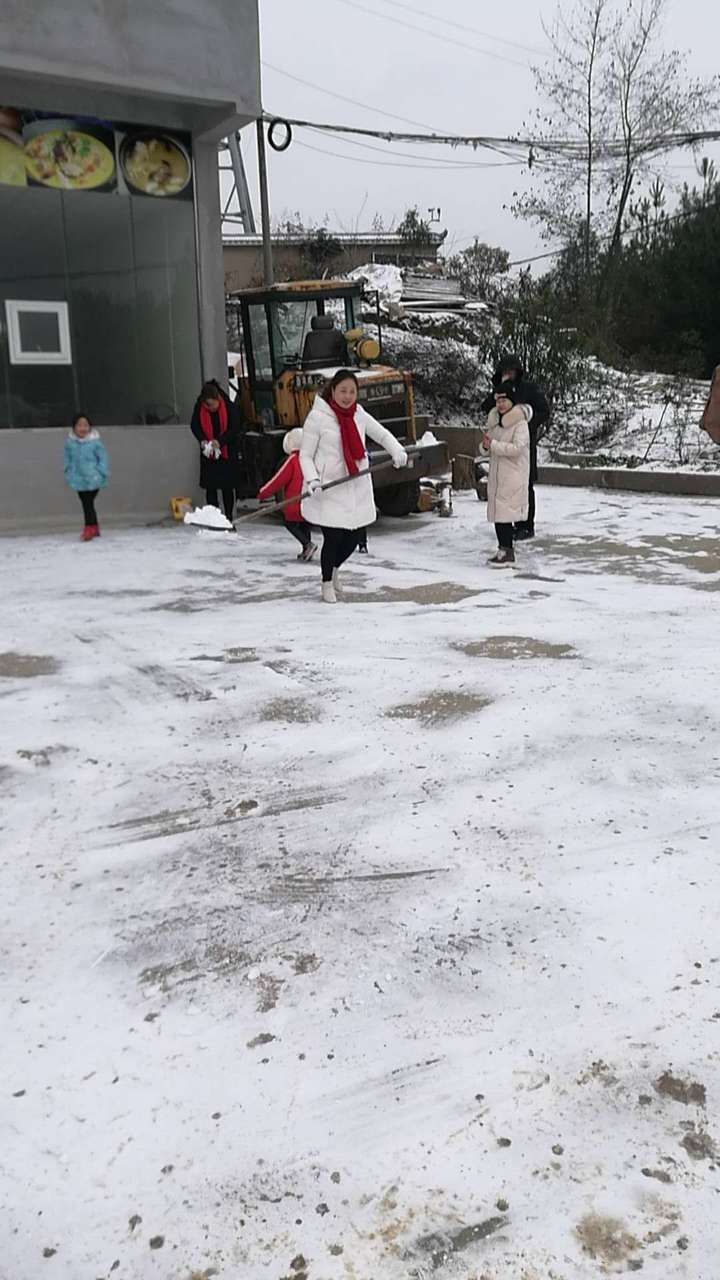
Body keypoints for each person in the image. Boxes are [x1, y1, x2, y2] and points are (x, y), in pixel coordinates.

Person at [300, 369, 408, 603]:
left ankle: (336, 569)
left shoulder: (359, 414)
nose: (347, 396)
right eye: (342, 391)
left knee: (354, 536)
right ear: (332, 390)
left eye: (351, 391)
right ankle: (326, 582)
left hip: (355, 486)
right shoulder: (318, 417)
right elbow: (305, 455)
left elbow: (382, 434)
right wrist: (312, 479)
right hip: (329, 487)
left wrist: (397, 450)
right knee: (333, 538)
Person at [482, 353, 549, 539]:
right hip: (502, 443)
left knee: (525, 484)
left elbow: (544, 411)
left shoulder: (529, 389)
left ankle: (526, 525)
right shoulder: (499, 392)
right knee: (506, 486)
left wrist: (528, 426)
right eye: (505, 371)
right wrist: (499, 389)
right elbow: (487, 407)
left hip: (523, 443)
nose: (508, 374)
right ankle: (508, 524)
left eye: (511, 371)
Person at [482, 382, 531, 567]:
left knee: (503, 516)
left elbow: (518, 448)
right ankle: (503, 550)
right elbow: (490, 446)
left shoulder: (520, 424)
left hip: (512, 477)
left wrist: (493, 445)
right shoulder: (495, 421)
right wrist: (486, 446)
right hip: (497, 475)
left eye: (504, 400)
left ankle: (507, 551)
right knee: (498, 516)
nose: (500, 404)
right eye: (498, 400)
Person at [258, 428, 317, 562]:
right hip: (309, 500)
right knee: (304, 524)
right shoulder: (311, 459)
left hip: (294, 501)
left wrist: (263, 493)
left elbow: (278, 480)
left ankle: (308, 544)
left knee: (289, 523)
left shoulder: (292, 460)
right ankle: (307, 549)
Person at [190, 380, 240, 522]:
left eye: (212, 405)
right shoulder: (200, 407)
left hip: (226, 451)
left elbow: (235, 427)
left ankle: (229, 517)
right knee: (210, 486)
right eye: (207, 405)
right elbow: (195, 426)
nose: (210, 408)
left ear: (218, 399)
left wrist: (221, 441)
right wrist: (203, 440)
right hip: (209, 453)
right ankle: (214, 518)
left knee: (227, 487)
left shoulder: (229, 407)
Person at [63, 413, 109, 541]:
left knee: (87, 502)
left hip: (94, 477)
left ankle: (89, 528)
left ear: (90, 427)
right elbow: (67, 458)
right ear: (74, 428)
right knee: (86, 503)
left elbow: (103, 458)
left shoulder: (95, 443)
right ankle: (94, 527)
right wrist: (68, 470)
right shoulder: (70, 443)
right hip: (78, 479)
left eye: (85, 425)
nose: (83, 428)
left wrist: (101, 471)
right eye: (79, 425)